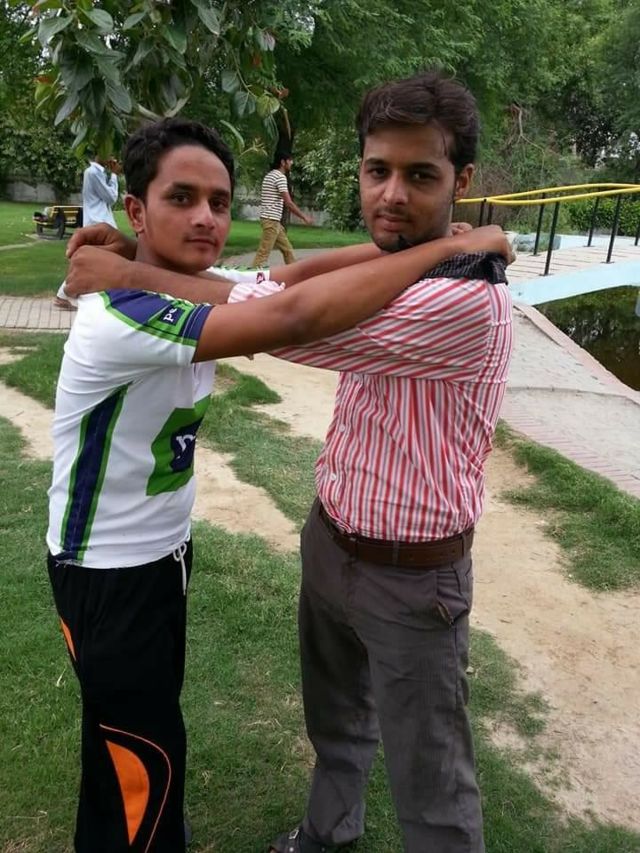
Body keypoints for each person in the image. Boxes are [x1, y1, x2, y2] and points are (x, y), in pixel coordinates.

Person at [48, 115, 510, 853]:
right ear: (136, 209)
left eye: (219, 201)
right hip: (107, 567)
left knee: (137, 727)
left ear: (460, 182)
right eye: (181, 198)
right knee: (138, 742)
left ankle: (144, 827)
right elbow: (286, 314)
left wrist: (442, 245)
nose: (206, 217)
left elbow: (285, 282)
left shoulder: (182, 293)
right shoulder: (123, 316)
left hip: (163, 553)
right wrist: (444, 245)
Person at [53, 154, 121, 309]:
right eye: (108, 153)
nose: (111, 157)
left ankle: (64, 295)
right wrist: (114, 175)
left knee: (97, 262)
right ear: (98, 154)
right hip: (98, 223)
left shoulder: (98, 173)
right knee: (94, 262)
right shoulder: (93, 173)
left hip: (100, 222)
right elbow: (111, 197)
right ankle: (63, 295)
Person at [252, 151, 313, 267]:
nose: (292, 163)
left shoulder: (270, 175)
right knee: (263, 254)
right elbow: (289, 203)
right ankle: (251, 276)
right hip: (271, 221)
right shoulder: (280, 177)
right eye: (289, 160)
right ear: (283, 162)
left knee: (287, 250)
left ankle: (294, 274)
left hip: (273, 221)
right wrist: (304, 217)